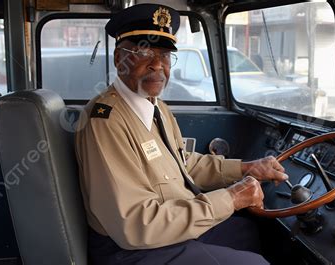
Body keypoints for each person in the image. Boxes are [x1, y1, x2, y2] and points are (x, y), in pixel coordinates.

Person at [75, 4, 288, 265]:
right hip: (132, 250)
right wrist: (230, 198)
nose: (157, 65)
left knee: (247, 232)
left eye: (164, 55)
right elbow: (135, 224)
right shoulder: (105, 121)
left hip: (167, 230)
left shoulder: (156, 106)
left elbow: (182, 163)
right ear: (120, 58)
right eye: (144, 51)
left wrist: (246, 168)